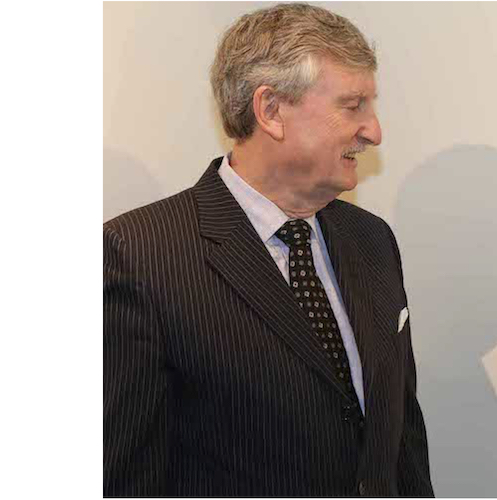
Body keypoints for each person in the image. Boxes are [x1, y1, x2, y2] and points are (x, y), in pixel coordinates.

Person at [103, 3, 433, 496]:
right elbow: (125, 475)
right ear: (271, 111)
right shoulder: (137, 255)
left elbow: (401, 437)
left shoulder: (372, 240)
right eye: (353, 105)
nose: (374, 131)